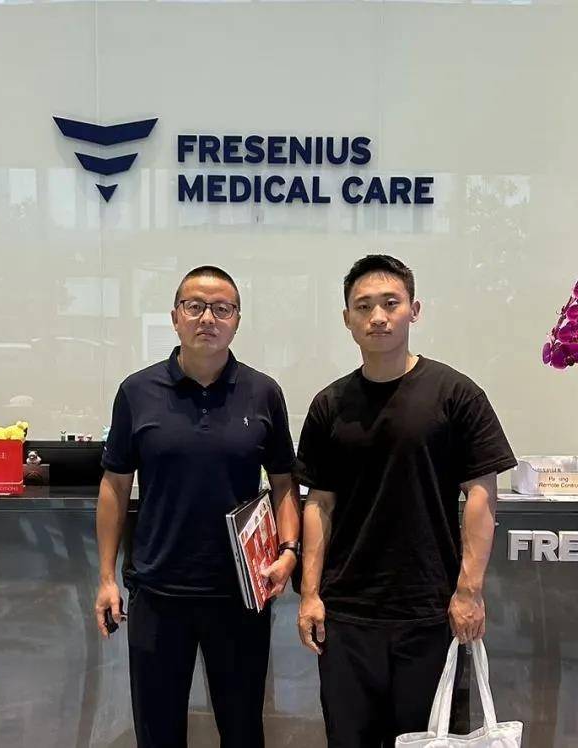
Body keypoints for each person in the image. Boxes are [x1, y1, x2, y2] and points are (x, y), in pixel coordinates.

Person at [295, 254, 517, 748]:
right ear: (347, 318)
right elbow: (319, 504)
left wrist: (469, 592)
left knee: (426, 741)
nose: (377, 316)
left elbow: (481, 495)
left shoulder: (456, 395)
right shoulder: (329, 405)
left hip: (430, 610)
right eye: (363, 306)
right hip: (346, 614)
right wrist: (310, 594)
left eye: (390, 303)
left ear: (414, 310)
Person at [94, 265, 301, 748]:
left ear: (237, 321)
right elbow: (115, 485)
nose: (208, 318)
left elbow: (284, 483)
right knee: (158, 732)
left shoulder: (264, 392)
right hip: (157, 591)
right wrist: (106, 577)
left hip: (241, 594)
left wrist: (289, 549)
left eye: (222, 309)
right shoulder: (137, 392)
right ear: (175, 317)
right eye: (195, 306)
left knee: (243, 729)